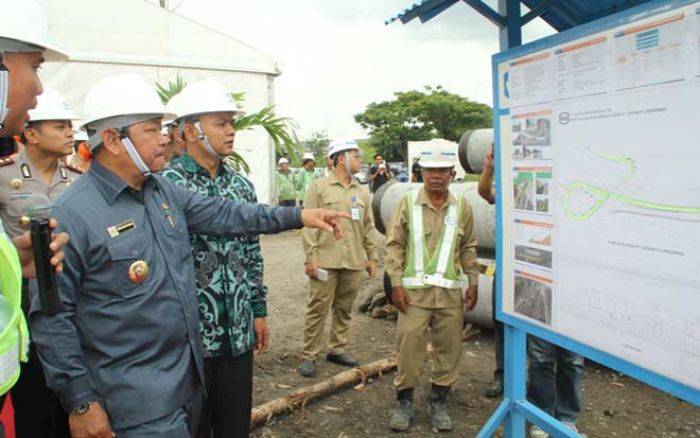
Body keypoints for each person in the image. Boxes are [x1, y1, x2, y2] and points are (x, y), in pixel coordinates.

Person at [28, 73, 350, 438]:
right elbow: (53, 318)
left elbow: (228, 214)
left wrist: (299, 216)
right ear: (113, 140)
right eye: (151, 129)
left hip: (186, 385)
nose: (165, 137)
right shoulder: (71, 214)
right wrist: (81, 402)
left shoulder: (161, 191)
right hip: (132, 405)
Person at [162, 78, 266, 438]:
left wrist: (259, 310)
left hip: (238, 333)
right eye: (221, 123)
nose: (231, 131)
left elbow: (251, 251)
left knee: (233, 426)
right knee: (193, 427)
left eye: (231, 122)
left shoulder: (241, 185)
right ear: (191, 131)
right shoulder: (165, 186)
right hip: (189, 340)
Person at [0, 88, 82, 438]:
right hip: (22, 311)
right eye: (60, 125)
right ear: (31, 133)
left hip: (67, 310)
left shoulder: (79, 181)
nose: (70, 133)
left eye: (70, 126)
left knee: (67, 405)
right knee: (31, 406)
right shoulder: (2, 178)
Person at [385, 141, 479, 432]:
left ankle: (439, 401)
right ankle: (404, 401)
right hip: (413, 295)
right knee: (408, 346)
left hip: (450, 296)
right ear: (421, 173)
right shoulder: (408, 203)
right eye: (430, 171)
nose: (436, 177)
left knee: (449, 349)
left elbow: (469, 247)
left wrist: (473, 282)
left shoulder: (462, 206)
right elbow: (394, 246)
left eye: (442, 171)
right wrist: (396, 285)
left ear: (452, 173)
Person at [298, 138, 378, 377]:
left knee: (344, 308)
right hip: (325, 259)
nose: (360, 160)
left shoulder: (361, 191)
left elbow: (368, 226)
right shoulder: (318, 187)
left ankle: (336, 349)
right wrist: (310, 257)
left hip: (353, 261)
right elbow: (308, 225)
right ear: (341, 158)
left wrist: (371, 256)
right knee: (318, 307)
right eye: (356, 156)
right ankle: (309, 354)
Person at [477, 144, 503, 399]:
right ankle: (503, 376)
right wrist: (488, 168)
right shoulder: (512, 181)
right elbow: (485, 192)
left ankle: (537, 387)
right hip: (507, 264)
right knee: (501, 323)